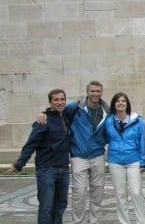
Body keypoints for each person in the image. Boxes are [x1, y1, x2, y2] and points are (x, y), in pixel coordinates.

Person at [37, 81, 108, 224]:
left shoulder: (107, 110)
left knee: (97, 193)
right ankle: (78, 221)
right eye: (92, 91)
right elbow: (57, 110)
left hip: (98, 156)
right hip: (79, 157)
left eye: (98, 91)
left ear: (101, 93)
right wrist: (43, 114)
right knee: (79, 193)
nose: (95, 94)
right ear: (87, 92)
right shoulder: (75, 107)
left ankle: (94, 221)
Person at [7, 89, 70, 224]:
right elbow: (31, 144)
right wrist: (20, 164)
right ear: (50, 102)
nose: (60, 102)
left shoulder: (66, 117)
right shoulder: (43, 121)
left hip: (63, 169)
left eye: (62, 99)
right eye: (56, 100)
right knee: (46, 207)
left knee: (60, 206)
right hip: (47, 170)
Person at [103, 92, 145, 224]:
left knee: (136, 191)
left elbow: (143, 141)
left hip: (133, 160)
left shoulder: (138, 122)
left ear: (127, 104)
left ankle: (141, 221)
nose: (120, 103)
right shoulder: (109, 121)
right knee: (120, 194)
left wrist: (143, 162)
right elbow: (105, 138)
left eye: (123, 101)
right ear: (114, 105)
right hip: (115, 161)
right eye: (117, 101)